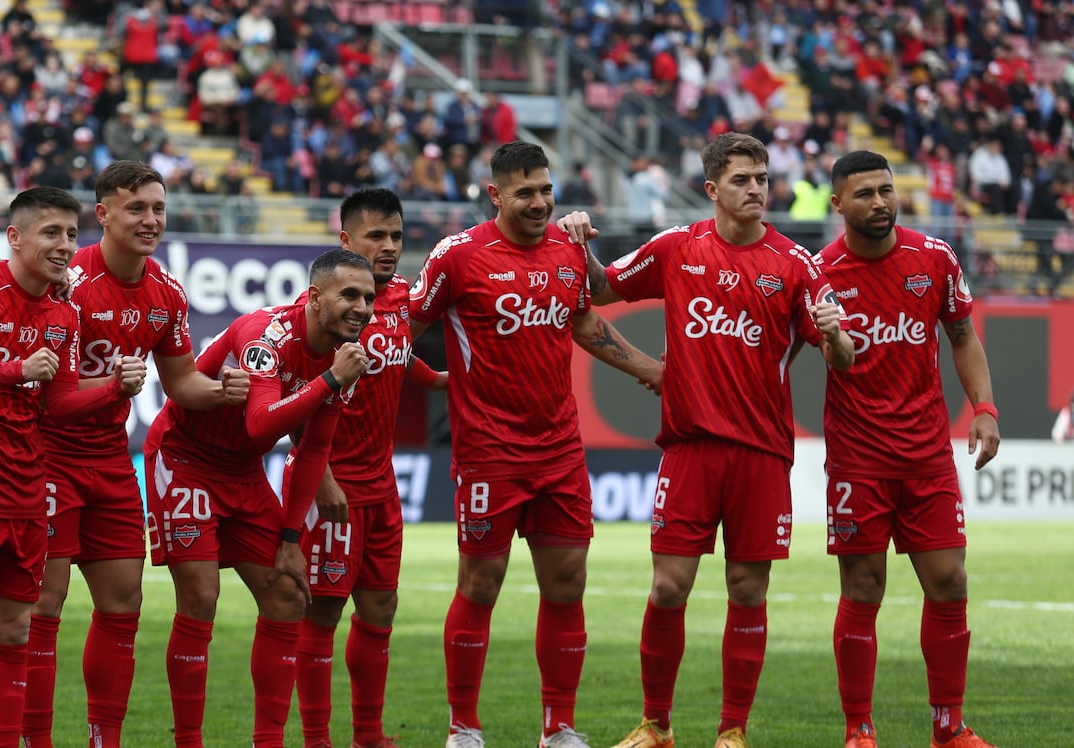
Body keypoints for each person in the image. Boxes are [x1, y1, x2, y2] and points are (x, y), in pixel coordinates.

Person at [558, 131, 855, 748]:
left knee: (748, 589)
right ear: (712, 189)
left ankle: (732, 729)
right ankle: (655, 725)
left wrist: (835, 334)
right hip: (689, 446)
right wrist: (575, 240)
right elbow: (600, 289)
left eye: (763, 179)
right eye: (743, 180)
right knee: (669, 587)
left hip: (762, 452)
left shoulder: (798, 265)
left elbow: (843, 359)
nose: (756, 190)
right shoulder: (677, 247)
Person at [409, 140, 663, 748]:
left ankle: (559, 728)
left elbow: (584, 322)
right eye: (525, 192)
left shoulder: (568, 253)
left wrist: (649, 368)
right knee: (480, 584)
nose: (540, 202)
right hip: (488, 451)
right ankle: (463, 728)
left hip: (558, 449)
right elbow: (405, 326)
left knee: (567, 582)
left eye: (546, 190)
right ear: (495, 194)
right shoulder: (457, 257)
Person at [19, 161, 250, 748]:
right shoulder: (67, 281)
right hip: (45, 458)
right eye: (137, 208)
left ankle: (105, 740)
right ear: (103, 215)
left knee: (124, 605)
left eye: (158, 209)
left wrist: (223, 390)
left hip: (111, 462)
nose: (151, 220)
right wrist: (112, 388)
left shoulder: (166, 293)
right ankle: (33, 740)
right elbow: (50, 398)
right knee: (42, 607)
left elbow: (181, 385)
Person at [0, 187, 141, 748]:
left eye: (70, 234)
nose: (65, 245)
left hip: (24, 487)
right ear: (14, 237)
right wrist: (15, 370)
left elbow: (58, 401)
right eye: (51, 233)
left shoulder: (65, 312)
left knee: (16, 629)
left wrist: (113, 387)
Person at [146, 249, 374, 748]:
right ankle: (188, 741)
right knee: (202, 595)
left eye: (368, 297)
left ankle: (267, 741)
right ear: (315, 299)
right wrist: (331, 379)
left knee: (288, 594)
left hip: (243, 472)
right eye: (349, 295)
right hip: (185, 458)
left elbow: (314, 449)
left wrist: (291, 537)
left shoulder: (342, 355)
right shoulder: (266, 337)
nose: (361, 307)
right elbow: (261, 422)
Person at [818, 150, 1001, 748]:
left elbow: (963, 337)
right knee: (863, 589)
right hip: (857, 456)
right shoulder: (819, 273)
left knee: (949, 582)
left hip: (926, 454)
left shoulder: (934, 257)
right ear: (838, 203)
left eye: (886, 190)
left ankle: (948, 727)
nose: (880, 202)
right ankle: (859, 730)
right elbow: (784, 354)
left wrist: (985, 410)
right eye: (864, 193)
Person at [295, 188, 447, 748]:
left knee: (381, 606)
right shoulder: (323, 307)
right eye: (375, 236)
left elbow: (399, 357)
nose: (388, 247)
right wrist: (323, 476)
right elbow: (295, 392)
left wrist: (440, 382)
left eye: (397, 236)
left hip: (382, 487)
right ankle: (316, 739)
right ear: (345, 241)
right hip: (332, 485)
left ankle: (369, 736)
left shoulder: (403, 298)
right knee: (323, 614)